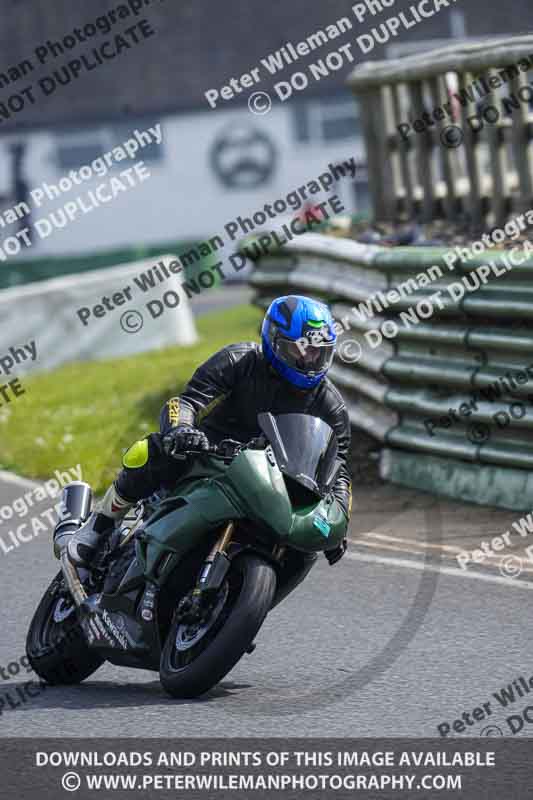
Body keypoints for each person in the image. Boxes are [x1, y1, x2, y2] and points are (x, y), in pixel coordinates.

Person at [65, 295, 352, 572]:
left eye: (318, 351)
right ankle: (99, 525)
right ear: (274, 340)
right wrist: (182, 431)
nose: (309, 360)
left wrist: (339, 518)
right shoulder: (240, 360)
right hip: (210, 457)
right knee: (153, 449)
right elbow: (185, 402)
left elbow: (338, 469)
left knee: (305, 547)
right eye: (300, 350)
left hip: (275, 485)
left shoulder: (331, 406)